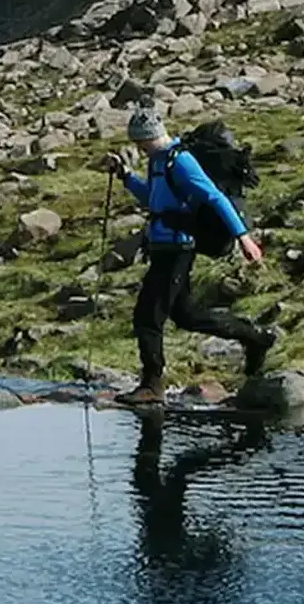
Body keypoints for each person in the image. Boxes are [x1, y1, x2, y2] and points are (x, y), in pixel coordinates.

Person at [103, 102, 278, 405]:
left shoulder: (179, 160)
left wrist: (244, 239)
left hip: (178, 247)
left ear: (150, 136)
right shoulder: (157, 161)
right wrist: (125, 175)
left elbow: (214, 196)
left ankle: (152, 385)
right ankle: (255, 338)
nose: (138, 148)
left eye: (139, 142)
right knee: (186, 315)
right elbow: (154, 200)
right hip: (162, 245)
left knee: (147, 315)